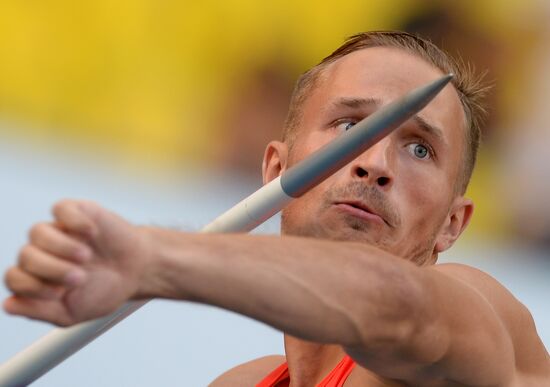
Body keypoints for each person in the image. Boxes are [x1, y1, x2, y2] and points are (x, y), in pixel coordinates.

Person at [3, 31, 549, 386]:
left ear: (452, 224)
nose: (376, 161)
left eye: (419, 149)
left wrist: (155, 259)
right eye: (350, 126)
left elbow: (399, 307)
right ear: (275, 172)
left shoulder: (480, 318)